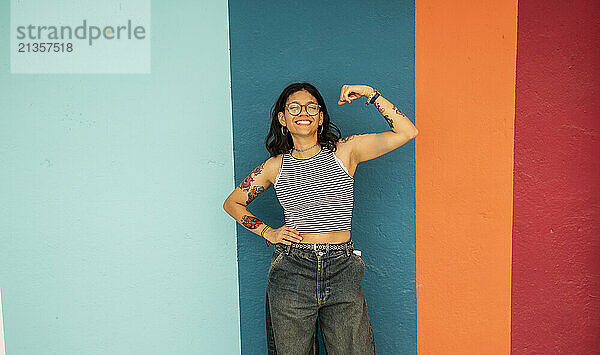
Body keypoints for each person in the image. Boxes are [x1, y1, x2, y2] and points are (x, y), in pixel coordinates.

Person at [222, 82, 418, 354]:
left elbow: (407, 132)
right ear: (283, 118)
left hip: (342, 268)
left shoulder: (345, 151)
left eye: (311, 106)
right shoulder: (275, 166)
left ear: (321, 116)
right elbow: (233, 203)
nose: (303, 112)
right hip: (292, 269)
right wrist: (268, 231)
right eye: (294, 107)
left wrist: (369, 93)